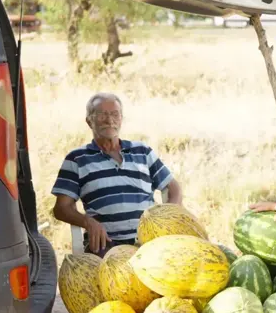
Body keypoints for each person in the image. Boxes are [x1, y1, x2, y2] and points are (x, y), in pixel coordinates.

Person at [51, 92, 183, 256]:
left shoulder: (142, 152)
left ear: (121, 119)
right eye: (102, 115)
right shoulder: (77, 159)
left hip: (149, 241)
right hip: (106, 245)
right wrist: (88, 222)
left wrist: (168, 219)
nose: (109, 120)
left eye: (115, 114)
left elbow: (173, 188)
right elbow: (61, 209)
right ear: (89, 121)